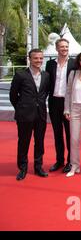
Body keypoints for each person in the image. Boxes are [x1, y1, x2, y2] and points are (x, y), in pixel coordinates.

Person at [10, 49, 50, 181]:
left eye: (40, 58)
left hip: (41, 115)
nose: (38, 60)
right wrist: (22, 108)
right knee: (24, 142)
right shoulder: (20, 75)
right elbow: (13, 96)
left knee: (39, 142)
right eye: (35, 58)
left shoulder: (46, 75)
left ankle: (38, 167)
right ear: (30, 59)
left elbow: (45, 93)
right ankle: (22, 168)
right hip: (24, 115)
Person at [46, 38, 76, 174]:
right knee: (57, 134)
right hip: (54, 102)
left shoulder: (74, 63)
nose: (64, 49)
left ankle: (71, 162)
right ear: (56, 48)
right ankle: (59, 160)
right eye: (62, 47)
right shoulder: (50, 64)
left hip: (68, 103)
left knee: (70, 134)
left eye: (66, 46)